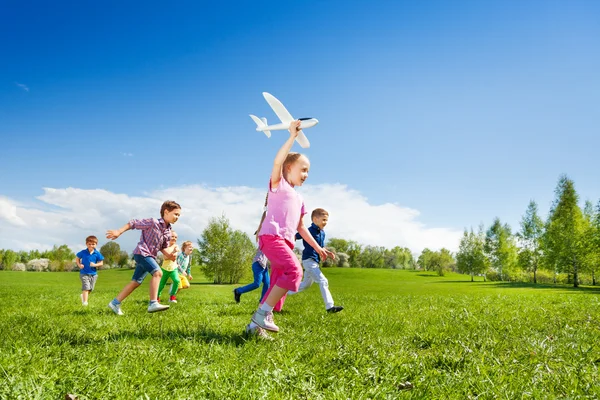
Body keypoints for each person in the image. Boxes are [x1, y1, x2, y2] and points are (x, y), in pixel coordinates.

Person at [247, 120, 334, 338]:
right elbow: (277, 162)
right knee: (295, 272)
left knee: (277, 283)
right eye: (303, 170)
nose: (306, 174)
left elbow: (301, 228)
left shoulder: (299, 198)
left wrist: (319, 248)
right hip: (271, 238)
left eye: (308, 172)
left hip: (284, 243)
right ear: (289, 168)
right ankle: (261, 314)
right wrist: (292, 136)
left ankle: (254, 328)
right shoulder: (278, 186)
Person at [106, 200, 181, 315]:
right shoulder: (152, 222)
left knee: (136, 282)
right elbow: (133, 223)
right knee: (158, 273)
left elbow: (163, 247)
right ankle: (153, 303)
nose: (177, 217)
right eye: (176, 214)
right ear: (166, 212)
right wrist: (118, 232)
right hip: (142, 252)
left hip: (150, 256)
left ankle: (115, 303)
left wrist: (170, 256)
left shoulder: (168, 231)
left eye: (179, 215)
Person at [291, 208, 343, 313]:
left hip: (315, 261)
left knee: (305, 285)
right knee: (323, 281)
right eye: (323, 220)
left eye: (326, 220)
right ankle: (330, 307)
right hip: (308, 260)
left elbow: (320, 247)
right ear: (315, 219)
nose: (325, 222)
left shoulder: (322, 233)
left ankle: (280, 293)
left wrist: (327, 252)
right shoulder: (308, 231)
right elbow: (295, 236)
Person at [76, 235, 104, 306]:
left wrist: (95, 265)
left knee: (91, 289)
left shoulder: (97, 254)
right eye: (89, 244)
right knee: (86, 287)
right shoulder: (83, 252)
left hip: (93, 274)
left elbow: (101, 263)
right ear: (86, 244)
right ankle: (85, 302)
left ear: (96, 244)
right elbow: (77, 258)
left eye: (93, 244)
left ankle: (83, 296)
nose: (91, 245)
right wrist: (79, 265)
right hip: (84, 273)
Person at [157, 231, 180, 303]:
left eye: (176, 237)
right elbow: (165, 257)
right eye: (172, 236)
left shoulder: (176, 246)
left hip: (173, 268)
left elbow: (174, 257)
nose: (174, 238)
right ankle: (157, 297)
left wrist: (170, 255)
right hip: (165, 268)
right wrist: (172, 253)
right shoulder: (165, 246)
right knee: (161, 284)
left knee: (177, 281)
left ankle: (172, 297)